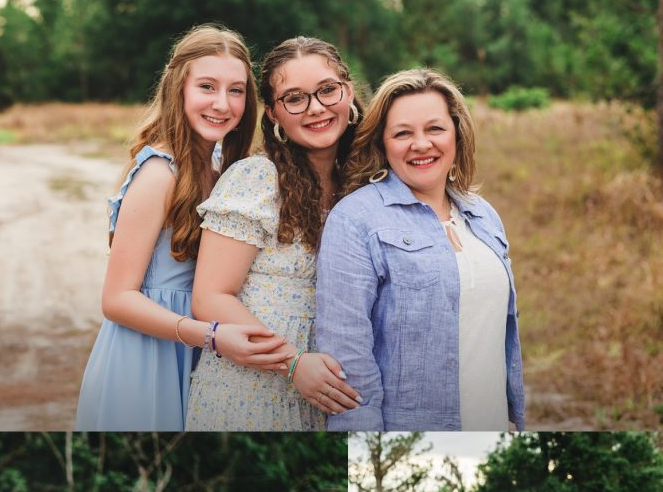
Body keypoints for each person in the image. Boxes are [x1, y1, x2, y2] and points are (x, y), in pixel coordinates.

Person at [75, 25, 290, 431]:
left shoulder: (220, 171)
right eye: (207, 87)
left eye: (237, 90)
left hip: (196, 346)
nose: (223, 104)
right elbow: (116, 298)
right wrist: (209, 336)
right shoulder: (159, 173)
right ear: (179, 89)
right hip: (145, 356)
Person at [316, 68, 525, 431]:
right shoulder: (355, 219)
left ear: (457, 135)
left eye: (434, 129)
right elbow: (347, 363)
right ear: (383, 144)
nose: (421, 144)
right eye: (402, 133)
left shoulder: (482, 213)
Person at [185, 36, 362, 431]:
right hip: (253, 386)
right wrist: (293, 362)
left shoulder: (364, 182)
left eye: (327, 91)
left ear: (347, 93)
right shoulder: (257, 179)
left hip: (330, 389)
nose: (316, 108)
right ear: (274, 114)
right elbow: (210, 297)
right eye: (295, 98)